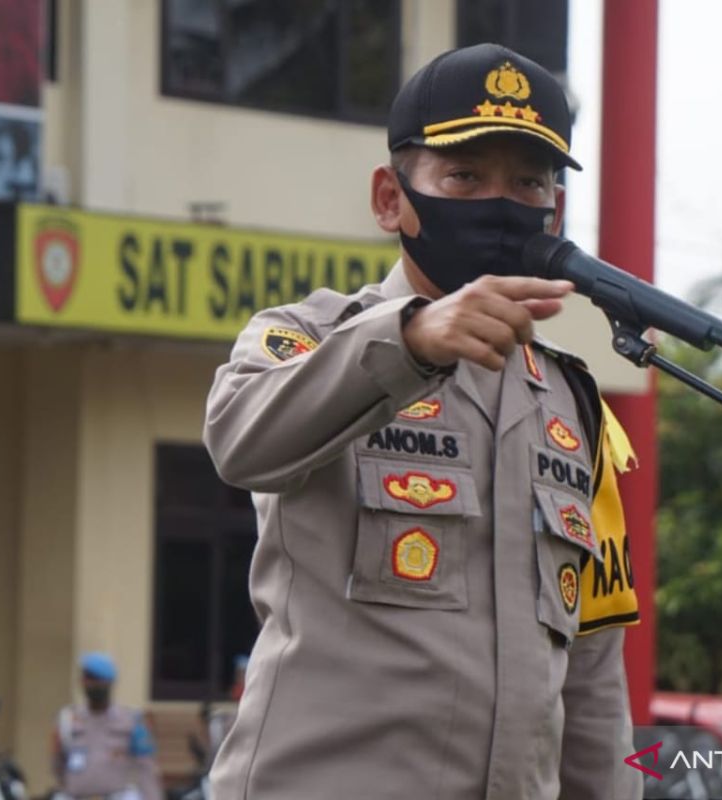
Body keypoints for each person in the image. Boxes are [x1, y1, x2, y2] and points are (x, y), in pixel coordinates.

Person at [204, 43, 642, 799]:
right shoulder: (308, 338)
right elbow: (240, 443)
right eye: (464, 176)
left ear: (554, 211)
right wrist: (407, 341)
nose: (499, 204)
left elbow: (594, 669)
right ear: (389, 198)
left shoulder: (572, 404)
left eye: (528, 182)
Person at [51, 652, 163, 800]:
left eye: (96, 679)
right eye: (87, 678)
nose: (90, 684)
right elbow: (58, 764)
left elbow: (146, 768)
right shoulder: (68, 719)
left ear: (109, 682)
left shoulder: (131, 720)